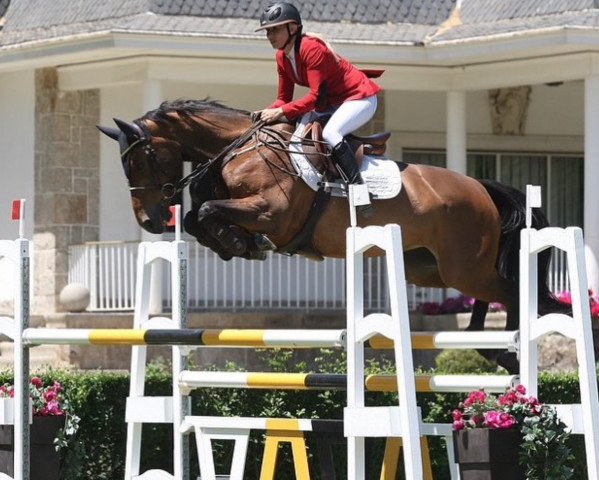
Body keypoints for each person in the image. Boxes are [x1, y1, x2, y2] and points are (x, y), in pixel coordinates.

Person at [256, 2, 382, 217]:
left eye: (275, 29)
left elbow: (314, 97)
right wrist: (262, 114)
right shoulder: (281, 57)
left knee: (331, 134)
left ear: (293, 28)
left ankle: (359, 192)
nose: (270, 35)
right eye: (268, 30)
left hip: (359, 98)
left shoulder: (311, 49)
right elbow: (283, 99)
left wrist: (280, 111)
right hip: (331, 103)